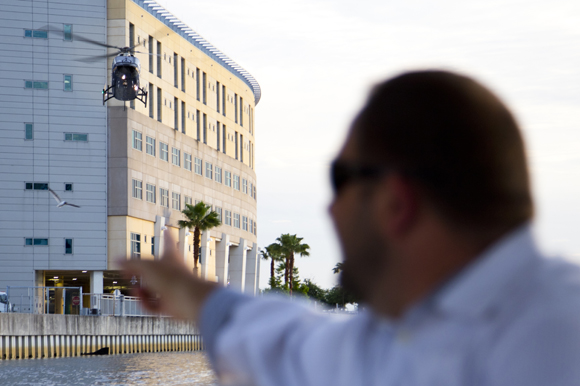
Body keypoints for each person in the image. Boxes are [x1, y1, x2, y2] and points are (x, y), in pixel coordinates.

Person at [123, 70, 580, 386]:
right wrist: (190, 289)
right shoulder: (408, 336)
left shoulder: (553, 339)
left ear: (396, 202)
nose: (330, 209)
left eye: (340, 180)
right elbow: (287, 343)